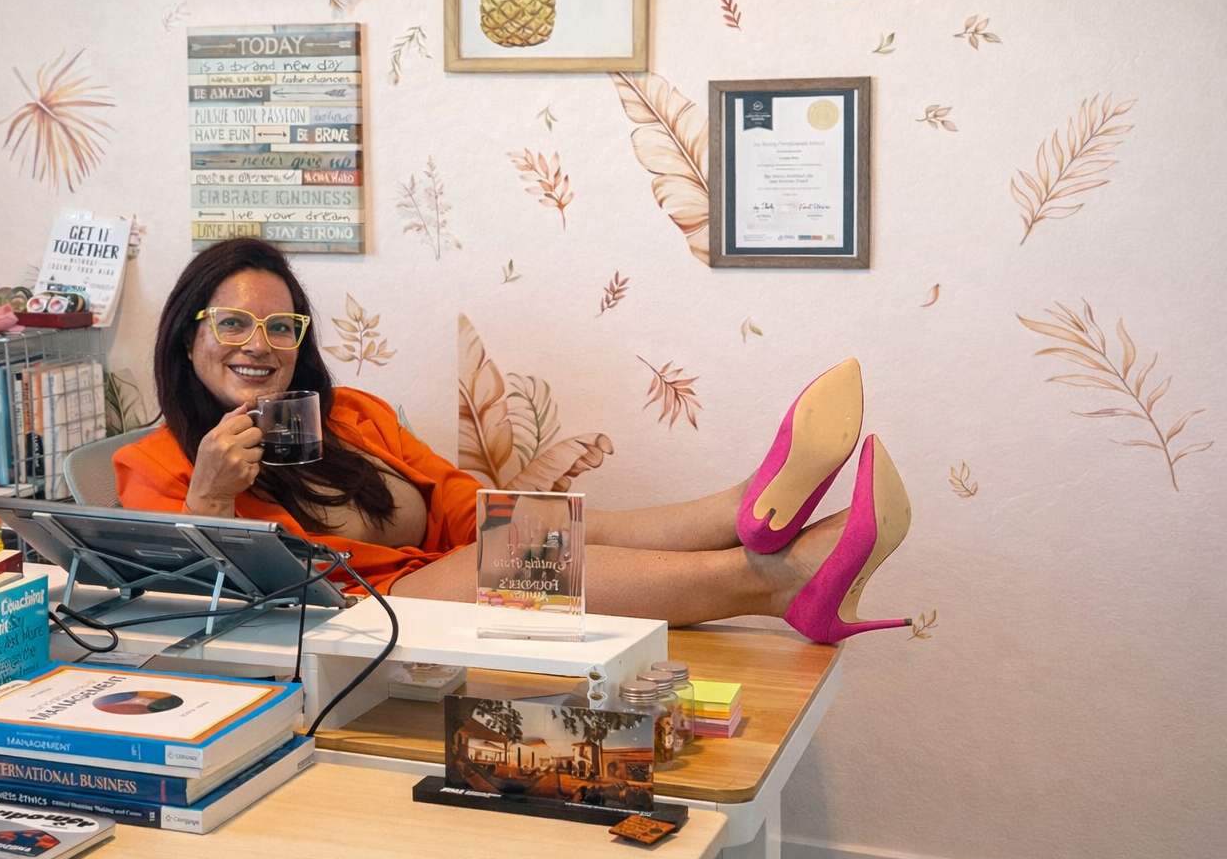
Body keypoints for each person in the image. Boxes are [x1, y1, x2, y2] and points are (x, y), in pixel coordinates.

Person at [114, 238, 913, 643]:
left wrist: (520, 518)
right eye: (232, 324)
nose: (259, 344)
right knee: (503, 557)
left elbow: (448, 497)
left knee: (517, 527)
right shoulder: (150, 467)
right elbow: (202, 616)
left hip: (435, 582)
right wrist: (213, 494)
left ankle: (744, 512)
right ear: (188, 338)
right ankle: (771, 578)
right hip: (346, 623)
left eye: (280, 325)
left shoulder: (349, 414)